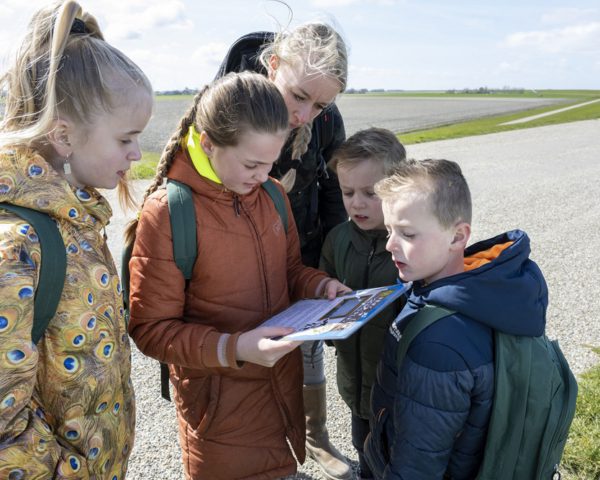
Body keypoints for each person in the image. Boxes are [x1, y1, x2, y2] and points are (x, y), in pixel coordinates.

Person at [125, 71, 349, 480]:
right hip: (219, 415)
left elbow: (291, 270)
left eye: (271, 162)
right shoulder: (170, 212)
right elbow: (151, 330)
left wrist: (321, 287)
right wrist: (236, 348)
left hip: (281, 392)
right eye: (251, 164)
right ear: (208, 143)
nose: (263, 175)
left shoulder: (272, 195)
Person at [0, 1, 153, 478]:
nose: (136, 152)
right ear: (65, 135)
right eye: (126, 138)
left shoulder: (77, 217)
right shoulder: (18, 246)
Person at [216, 22, 351, 479]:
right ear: (273, 65)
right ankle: (245, 450)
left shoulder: (326, 122)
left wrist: (333, 257)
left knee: (305, 348)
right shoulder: (231, 103)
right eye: (298, 97)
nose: (305, 115)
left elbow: (333, 192)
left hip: (301, 253)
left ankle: (315, 437)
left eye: (321, 104)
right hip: (236, 254)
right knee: (244, 352)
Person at [364, 159, 547, 479]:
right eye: (389, 230)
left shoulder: (438, 342)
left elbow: (418, 463)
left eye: (407, 233)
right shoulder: (484, 290)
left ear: (457, 236)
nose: (390, 244)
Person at [319, 127, 407, 480]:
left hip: (401, 391)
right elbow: (322, 292)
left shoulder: (411, 241)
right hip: (356, 384)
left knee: (401, 459)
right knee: (365, 450)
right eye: (347, 192)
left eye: (371, 193)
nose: (356, 203)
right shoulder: (338, 239)